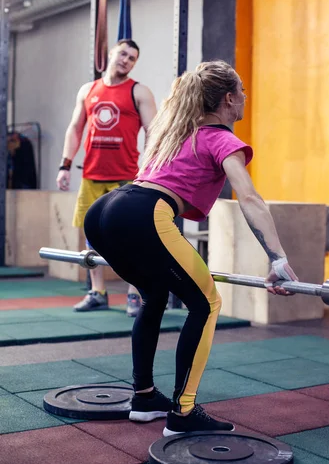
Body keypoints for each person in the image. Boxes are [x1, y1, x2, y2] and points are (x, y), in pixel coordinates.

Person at [84, 60, 298, 435]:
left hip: (105, 210)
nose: (246, 97)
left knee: (154, 296)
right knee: (207, 302)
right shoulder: (222, 139)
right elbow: (249, 199)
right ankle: (183, 413)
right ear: (229, 99)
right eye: (242, 92)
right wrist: (277, 258)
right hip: (145, 213)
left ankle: (145, 396)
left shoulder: (176, 133)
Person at [56, 39, 157, 315]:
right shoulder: (88, 90)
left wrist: (148, 169)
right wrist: (65, 165)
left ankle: (134, 295)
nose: (126, 59)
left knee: (131, 237)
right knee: (91, 237)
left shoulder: (139, 91)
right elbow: (75, 129)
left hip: (126, 177)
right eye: (123, 53)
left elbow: (154, 131)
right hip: (91, 176)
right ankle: (97, 292)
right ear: (111, 53)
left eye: (132, 58)